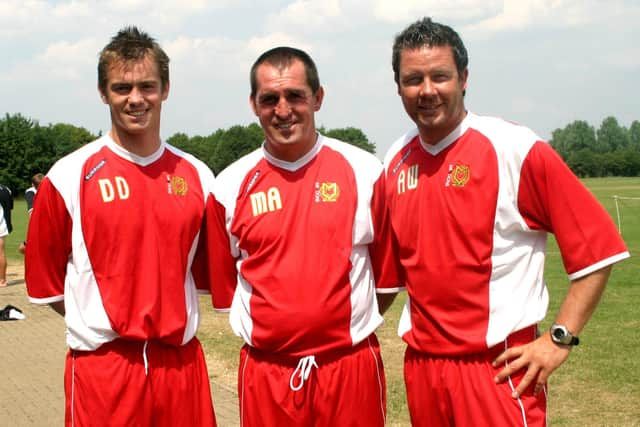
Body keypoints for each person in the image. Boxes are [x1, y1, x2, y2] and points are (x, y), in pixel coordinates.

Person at [382, 17, 630, 427]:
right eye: (413, 79)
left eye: (439, 76)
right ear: (398, 87)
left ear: (463, 78)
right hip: (422, 367)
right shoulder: (395, 158)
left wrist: (559, 339)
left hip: (497, 368)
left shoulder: (514, 148)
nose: (426, 91)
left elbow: (597, 250)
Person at [24, 26, 218, 427]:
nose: (135, 99)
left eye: (147, 86)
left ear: (166, 89)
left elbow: (205, 274)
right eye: (121, 87)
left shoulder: (199, 176)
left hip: (180, 369)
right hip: (103, 371)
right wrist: (100, 318)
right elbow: (47, 284)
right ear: (102, 92)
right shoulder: (67, 177)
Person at [209, 46, 399, 426]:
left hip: (349, 368)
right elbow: (227, 288)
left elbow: (386, 282)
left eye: (295, 95)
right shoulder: (227, 187)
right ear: (253, 104)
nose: (283, 110)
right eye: (270, 99)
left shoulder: (366, 172)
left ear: (318, 97)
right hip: (268, 374)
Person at [18, 173, 43, 254]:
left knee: (23, 248)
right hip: (44, 225)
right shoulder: (32, 192)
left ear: (32, 184)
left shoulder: (30, 192)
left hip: (40, 226)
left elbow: (31, 212)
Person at [0, 184, 12, 287]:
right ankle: (2, 280)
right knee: (1, 252)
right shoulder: (6, 189)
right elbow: (10, 207)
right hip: (2, 223)